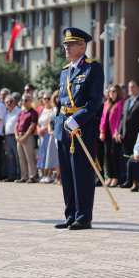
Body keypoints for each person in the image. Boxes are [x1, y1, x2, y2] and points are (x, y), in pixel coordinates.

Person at [53, 27, 104, 230]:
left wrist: (78, 119)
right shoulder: (66, 70)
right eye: (66, 44)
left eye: (71, 44)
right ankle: (70, 214)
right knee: (66, 174)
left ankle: (83, 217)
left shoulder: (92, 68)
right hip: (64, 128)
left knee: (81, 174)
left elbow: (95, 100)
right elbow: (60, 101)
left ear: (82, 47)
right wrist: (56, 124)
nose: (67, 47)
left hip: (81, 128)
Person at [116, 80, 139, 187]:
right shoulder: (127, 101)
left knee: (137, 158)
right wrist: (120, 132)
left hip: (138, 135)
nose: (131, 89)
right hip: (126, 135)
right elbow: (123, 118)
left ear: (138, 88)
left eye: (133, 87)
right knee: (127, 158)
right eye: (129, 87)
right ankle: (129, 180)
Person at [99, 84, 124, 187]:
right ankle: (109, 176)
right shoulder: (106, 104)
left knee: (114, 155)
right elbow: (103, 118)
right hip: (106, 132)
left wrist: (117, 131)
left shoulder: (120, 103)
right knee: (107, 155)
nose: (111, 93)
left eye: (113, 91)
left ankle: (116, 177)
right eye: (110, 91)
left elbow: (119, 118)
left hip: (115, 132)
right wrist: (101, 131)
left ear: (118, 92)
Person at [15, 94, 38, 183]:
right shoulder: (21, 112)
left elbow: (32, 126)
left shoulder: (33, 112)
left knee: (30, 157)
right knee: (21, 157)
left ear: (31, 101)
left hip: (28, 136)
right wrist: (17, 136)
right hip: (19, 136)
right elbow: (16, 125)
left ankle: (32, 176)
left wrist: (24, 137)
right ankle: (24, 176)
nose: (24, 102)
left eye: (26, 100)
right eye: (23, 100)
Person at [37, 91, 57, 183]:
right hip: (41, 135)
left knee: (49, 154)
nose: (46, 100)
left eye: (48, 98)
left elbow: (50, 122)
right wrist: (38, 129)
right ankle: (44, 175)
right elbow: (38, 122)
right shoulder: (41, 110)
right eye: (44, 98)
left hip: (48, 134)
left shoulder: (52, 110)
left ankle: (49, 174)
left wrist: (45, 129)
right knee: (42, 154)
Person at [3, 94, 21, 182]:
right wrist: (5, 141)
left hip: (16, 136)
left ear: (15, 102)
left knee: (17, 156)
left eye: (11, 101)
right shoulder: (6, 113)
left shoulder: (18, 111)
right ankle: (11, 175)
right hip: (8, 137)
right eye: (7, 102)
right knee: (9, 157)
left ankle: (19, 175)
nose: (9, 103)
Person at [48, 95, 61, 185]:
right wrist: (50, 130)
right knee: (54, 156)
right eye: (56, 97)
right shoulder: (52, 109)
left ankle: (60, 177)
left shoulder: (62, 108)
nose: (57, 98)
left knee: (59, 156)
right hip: (52, 134)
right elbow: (49, 122)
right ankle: (57, 176)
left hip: (58, 133)